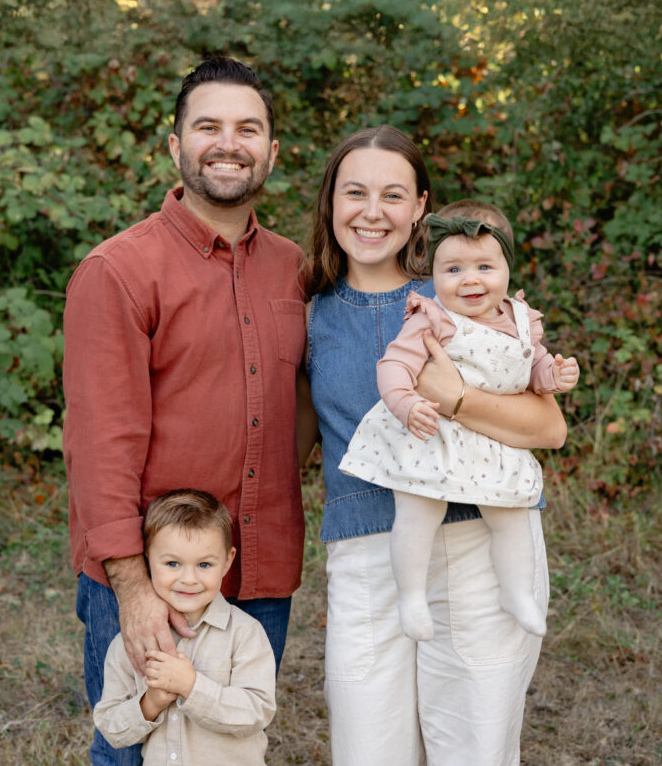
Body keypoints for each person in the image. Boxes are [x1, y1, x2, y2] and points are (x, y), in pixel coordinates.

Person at [63, 57, 310, 765]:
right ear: (175, 146)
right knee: (134, 747)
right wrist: (136, 592)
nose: (228, 143)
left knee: (229, 744)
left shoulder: (296, 268)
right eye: (208, 126)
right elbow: (100, 446)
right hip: (149, 576)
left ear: (270, 151)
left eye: (247, 128)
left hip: (257, 572)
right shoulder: (118, 271)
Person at [305, 125, 567, 766]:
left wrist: (455, 398)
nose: (372, 212)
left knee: (472, 749)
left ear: (421, 205)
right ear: (330, 202)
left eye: (393, 194)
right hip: (368, 556)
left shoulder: (459, 293)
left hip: (481, 542)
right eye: (355, 192)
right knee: (369, 752)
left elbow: (549, 429)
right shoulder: (307, 310)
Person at [339, 202, 580, 642]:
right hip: (434, 434)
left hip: (492, 440)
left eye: (484, 266)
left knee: (510, 514)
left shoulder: (522, 321)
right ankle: (411, 595)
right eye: (453, 269)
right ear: (433, 275)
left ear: (508, 269)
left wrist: (554, 376)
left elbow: (533, 369)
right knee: (417, 511)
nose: (470, 279)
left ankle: (516, 592)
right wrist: (406, 404)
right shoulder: (433, 318)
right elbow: (392, 366)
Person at [94, 489, 276, 765]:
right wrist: (150, 704)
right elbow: (111, 728)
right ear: (147, 559)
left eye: (204, 564)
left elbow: (257, 712)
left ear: (227, 560)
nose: (189, 579)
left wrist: (192, 687)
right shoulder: (131, 642)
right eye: (172, 563)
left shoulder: (245, 633)